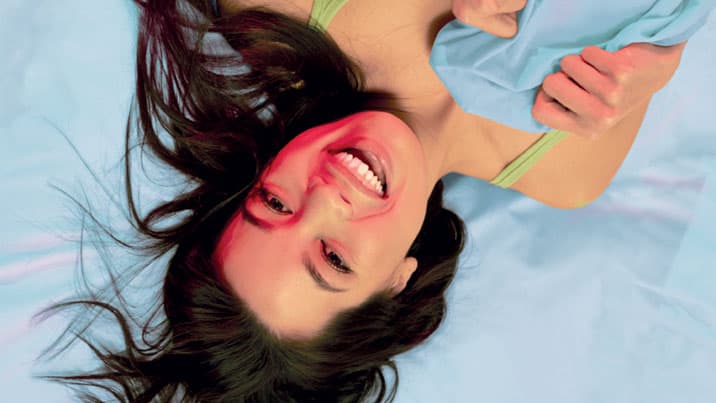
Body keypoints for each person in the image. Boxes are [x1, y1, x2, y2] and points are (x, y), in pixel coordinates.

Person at [38, 0, 690, 402]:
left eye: (274, 202)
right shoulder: (568, 167)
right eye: (333, 257)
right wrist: (661, 56)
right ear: (397, 284)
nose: (327, 194)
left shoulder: (282, 9)